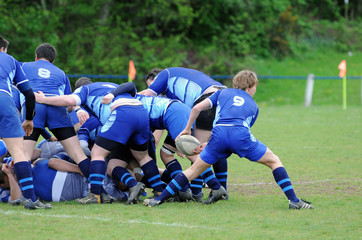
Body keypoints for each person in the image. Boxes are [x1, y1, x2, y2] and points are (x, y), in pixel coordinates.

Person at [143, 70, 315, 209]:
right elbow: (239, 131)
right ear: (249, 87)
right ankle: (294, 201)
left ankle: (158, 200)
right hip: (240, 135)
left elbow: (196, 108)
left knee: (193, 170)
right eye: (255, 87)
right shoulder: (254, 106)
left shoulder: (221, 94)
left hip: (218, 135)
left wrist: (188, 130)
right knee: (274, 161)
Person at [34, 79, 164, 204]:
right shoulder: (109, 86)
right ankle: (159, 191)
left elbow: (69, 100)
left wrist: (44, 99)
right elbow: (131, 87)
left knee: (97, 152)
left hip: (122, 113)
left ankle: (95, 194)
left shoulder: (84, 90)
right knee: (142, 157)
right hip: (141, 113)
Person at [140, 67, 228, 200]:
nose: (154, 90)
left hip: (208, 100)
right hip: (224, 98)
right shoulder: (174, 87)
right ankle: (202, 191)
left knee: (195, 152)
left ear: (157, 80)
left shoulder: (165, 75)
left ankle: (207, 190)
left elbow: (147, 95)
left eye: (153, 85)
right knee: (210, 148)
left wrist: (121, 96)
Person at [20, 43, 91, 181]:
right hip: (57, 109)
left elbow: (17, 95)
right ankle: (98, 189)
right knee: (79, 155)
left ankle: (27, 195)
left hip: (34, 107)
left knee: (24, 156)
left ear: (36, 57)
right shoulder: (61, 73)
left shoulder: (23, 66)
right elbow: (69, 106)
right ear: (53, 61)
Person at [0, 35, 51, 209]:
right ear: (3, 49)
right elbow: (29, 94)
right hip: (4, 101)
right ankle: (30, 199)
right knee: (18, 153)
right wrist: (29, 119)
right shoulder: (11, 61)